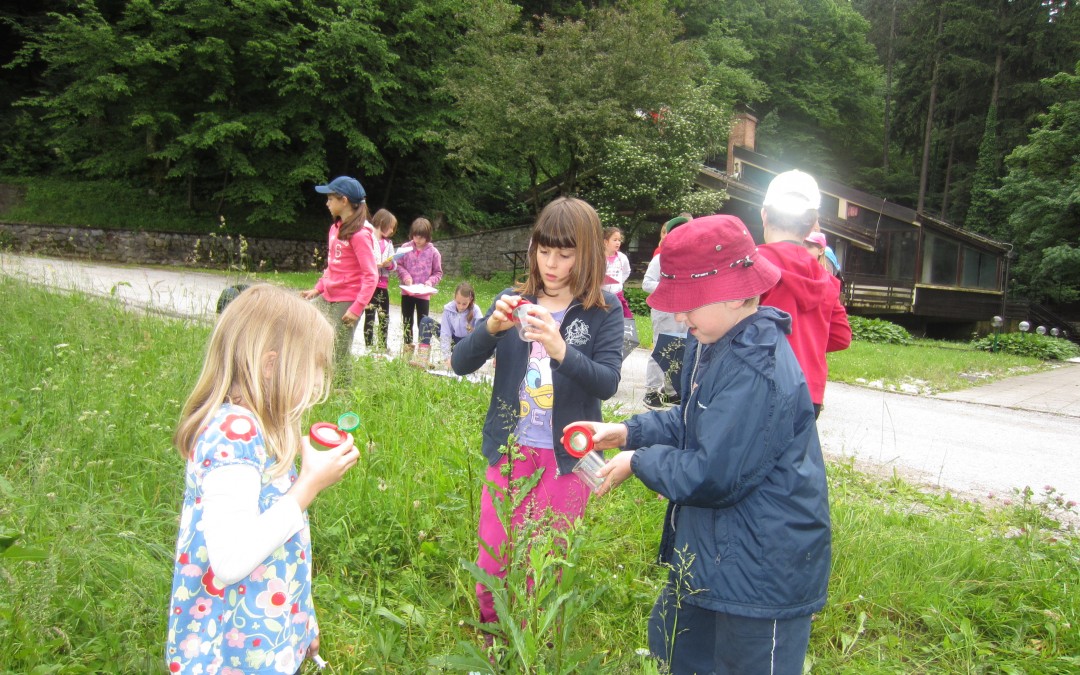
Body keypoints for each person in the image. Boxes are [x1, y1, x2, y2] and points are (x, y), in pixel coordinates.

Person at [577, 214, 831, 675]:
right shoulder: (713, 341)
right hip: (718, 554)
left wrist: (639, 460)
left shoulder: (757, 369)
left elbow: (713, 473)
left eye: (689, 303)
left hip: (761, 572)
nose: (678, 315)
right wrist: (630, 432)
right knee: (682, 654)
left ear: (735, 294)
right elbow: (694, 418)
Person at [166, 284, 361, 674]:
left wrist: (300, 622)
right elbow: (231, 559)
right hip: (229, 652)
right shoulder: (234, 431)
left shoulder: (260, 428)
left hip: (261, 632)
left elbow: (281, 545)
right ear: (271, 366)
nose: (318, 383)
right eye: (314, 368)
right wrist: (307, 486)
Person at [451, 196, 624, 626]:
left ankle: (533, 655)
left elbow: (608, 381)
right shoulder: (513, 299)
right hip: (509, 451)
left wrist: (560, 349)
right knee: (492, 567)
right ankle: (494, 649)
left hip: (567, 459)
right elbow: (460, 363)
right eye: (543, 251)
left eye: (564, 255)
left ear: (585, 255)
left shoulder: (603, 310)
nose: (551, 263)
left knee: (542, 573)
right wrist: (491, 328)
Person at [757, 170, 851, 417]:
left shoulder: (753, 265)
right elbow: (841, 337)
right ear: (811, 224)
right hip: (809, 392)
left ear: (764, 214)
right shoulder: (826, 281)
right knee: (794, 456)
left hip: (758, 384)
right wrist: (809, 340)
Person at [302, 176, 379, 377]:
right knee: (307, 332)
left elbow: (371, 275)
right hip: (328, 295)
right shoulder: (334, 229)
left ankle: (342, 392)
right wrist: (318, 288)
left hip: (347, 300)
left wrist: (357, 307)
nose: (327, 203)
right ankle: (317, 380)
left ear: (343, 201)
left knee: (338, 349)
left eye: (330, 199)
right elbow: (332, 265)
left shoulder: (360, 235)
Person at [642, 215, 689, 409]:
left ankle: (670, 392)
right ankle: (651, 391)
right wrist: (669, 287)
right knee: (662, 349)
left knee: (678, 350)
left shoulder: (690, 260)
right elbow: (646, 284)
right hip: (664, 311)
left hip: (684, 311)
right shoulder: (660, 259)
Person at [395, 217, 443, 353]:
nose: (418, 240)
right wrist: (406, 277)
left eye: (421, 237)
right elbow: (398, 265)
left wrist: (429, 282)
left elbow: (438, 272)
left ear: (428, 236)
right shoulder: (405, 248)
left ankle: (422, 353)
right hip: (407, 292)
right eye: (416, 236)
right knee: (407, 321)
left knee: (423, 323)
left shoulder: (434, 252)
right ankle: (407, 350)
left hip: (424, 294)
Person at [365, 208, 399, 353]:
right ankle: (368, 344)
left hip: (383, 284)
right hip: (370, 284)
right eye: (390, 226)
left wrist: (389, 264)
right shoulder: (368, 238)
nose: (392, 230)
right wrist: (375, 264)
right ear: (381, 222)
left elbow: (394, 264)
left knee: (384, 315)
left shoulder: (389, 244)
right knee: (370, 314)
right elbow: (364, 258)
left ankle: (382, 345)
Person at [440, 282, 483, 366]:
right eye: (458, 302)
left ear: (470, 300)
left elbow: (481, 333)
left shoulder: (476, 310)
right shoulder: (448, 309)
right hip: (454, 340)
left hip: (467, 342)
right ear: (454, 297)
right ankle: (422, 359)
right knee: (426, 322)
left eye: (464, 304)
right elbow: (445, 333)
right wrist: (447, 357)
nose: (460, 306)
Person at [601, 226, 633, 319]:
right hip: (601, 296)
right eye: (614, 240)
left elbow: (627, 271)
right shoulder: (598, 258)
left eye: (619, 240)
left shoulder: (622, 257)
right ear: (605, 242)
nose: (618, 243)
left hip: (617, 295)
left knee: (622, 318)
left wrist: (619, 282)